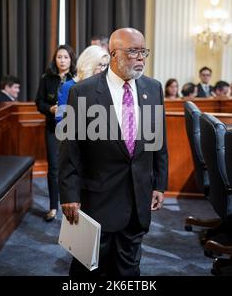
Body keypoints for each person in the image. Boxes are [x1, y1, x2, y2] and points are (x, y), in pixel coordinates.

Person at [59, 28, 168, 277]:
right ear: (113, 54)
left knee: (129, 270)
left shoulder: (152, 88)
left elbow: (158, 142)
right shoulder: (83, 92)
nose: (140, 58)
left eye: (143, 52)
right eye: (133, 51)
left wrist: (160, 184)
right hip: (97, 199)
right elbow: (70, 150)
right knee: (88, 269)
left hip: (137, 200)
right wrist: (69, 193)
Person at [36, 44, 77, 221]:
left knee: (72, 165)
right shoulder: (47, 78)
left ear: (71, 60)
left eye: (66, 57)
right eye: (59, 57)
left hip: (73, 128)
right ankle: (53, 206)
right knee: (53, 167)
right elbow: (39, 102)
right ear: (55, 59)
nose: (62, 60)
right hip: (53, 128)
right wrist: (50, 109)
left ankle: (73, 202)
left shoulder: (76, 78)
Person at [56, 45, 110, 122]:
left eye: (105, 65)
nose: (103, 70)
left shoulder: (105, 86)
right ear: (88, 64)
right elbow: (61, 119)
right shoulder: (68, 86)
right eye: (99, 65)